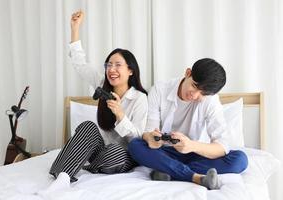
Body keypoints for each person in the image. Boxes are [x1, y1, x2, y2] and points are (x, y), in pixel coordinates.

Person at [49, 11, 148, 182]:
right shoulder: (102, 84)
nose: (111, 69)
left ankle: (87, 168)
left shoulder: (140, 98)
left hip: (124, 155)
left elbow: (139, 140)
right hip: (101, 152)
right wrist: (75, 29)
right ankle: (62, 175)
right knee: (87, 126)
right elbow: (80, 64)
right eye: (108, 65)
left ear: (130, 70)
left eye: (118, 65)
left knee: (116, 151)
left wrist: (120, 115)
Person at [128, 58, 248, 190]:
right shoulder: (160, 89)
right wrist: (150, 137)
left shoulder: (211, 101)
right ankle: (195, 177)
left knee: (240, 159)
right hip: (165, 152)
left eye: (203, 93)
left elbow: (222, 146)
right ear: (188, 73)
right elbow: (148, 130)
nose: (194, 95)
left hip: (196, 153)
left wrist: (191, 146)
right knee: (135, 145)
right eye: (195, 86)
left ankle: (168, 171)